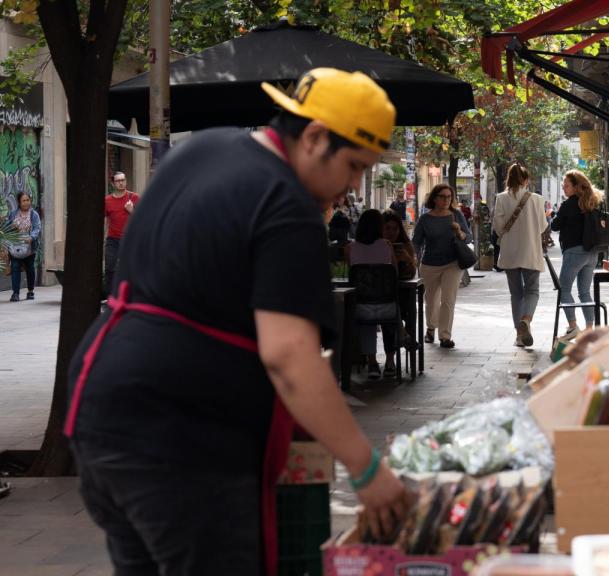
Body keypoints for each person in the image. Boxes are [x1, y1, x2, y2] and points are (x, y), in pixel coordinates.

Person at [65, 68, 408, 574]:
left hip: (101, 413)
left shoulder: (204, 150)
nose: (353, 185)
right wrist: (366, 467)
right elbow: (290, 356)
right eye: (355, 166)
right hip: (182, 440)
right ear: (314, 137)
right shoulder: (287, 205)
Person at [492, 164, 547, 348]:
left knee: (516, 293)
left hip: (510, 253)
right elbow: (542, 227)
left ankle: (519, 335)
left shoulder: (500, 198)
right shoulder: (537, 199)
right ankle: (526, 320)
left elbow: (498, 227)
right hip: (530, 252)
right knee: (532, 291)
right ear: (525, 180)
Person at [412, 182, 471, 349]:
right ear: (434, 199)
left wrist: (459, 232)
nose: (446, 200)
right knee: (430, 300)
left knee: (448, 300)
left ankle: (445, 336)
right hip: (430, 264)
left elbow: (468, 238)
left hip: (452, 263)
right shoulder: (425, 219)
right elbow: (417, 242)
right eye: (442, 197)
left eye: (449, 197)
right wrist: (413, 257)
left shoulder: (456, 215)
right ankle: (431, 328)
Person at [345, 209, 400, 381]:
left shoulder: (349, 249)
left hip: (362, 307)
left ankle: (372, 363)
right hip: (387, 306)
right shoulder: (386, 245)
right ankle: (390, 362)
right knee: (390, 321)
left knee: (366, 325)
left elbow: (353, 276)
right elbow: (395, 274)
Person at [551, 169, 605, 338]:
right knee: (584, 291)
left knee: (564, 288)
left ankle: (573, 326)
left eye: (566, 186)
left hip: (574, 252)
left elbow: (555, 226)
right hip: (591, 253)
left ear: (576, 187)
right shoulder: (592, 203)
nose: (564, 189)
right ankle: (590, 329)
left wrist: (553, 216)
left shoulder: (568, 205)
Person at [383, 209, 418, 349]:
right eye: (387, 228)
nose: (392, 232)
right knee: (391, 303)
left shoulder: (405, 245)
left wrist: (407, 259)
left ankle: (407, 335)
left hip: (401, 293)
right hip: (383, 294)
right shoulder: (377, 246)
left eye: (395, 229)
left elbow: (413, 273)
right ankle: (404, 335)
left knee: (408, 303)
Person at [104, 171, 139, 294]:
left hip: (130, 239)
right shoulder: (107, 200)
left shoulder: (134, 198)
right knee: (110, 268)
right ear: (113, 183)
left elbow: (143, 218)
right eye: (118, 181)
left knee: (131, 268)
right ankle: (110, 297)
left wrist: (131, 210)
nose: (121, 183)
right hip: (112, 239)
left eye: (123, 180)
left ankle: (130, 295)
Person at [5, 192, 41, 302]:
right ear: (19, 203)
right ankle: (15, 293)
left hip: (29, 247)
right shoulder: (13, 214)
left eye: (27, 200)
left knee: (30, 268)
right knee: (15, 267)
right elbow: (7, 228)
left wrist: (31, 237)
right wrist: (11, 227)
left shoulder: (34, 214)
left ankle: (30, 291)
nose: (26, 203)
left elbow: (37, 228)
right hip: (15, 247)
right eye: (23, 201)